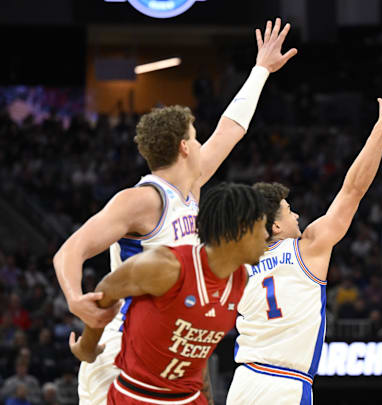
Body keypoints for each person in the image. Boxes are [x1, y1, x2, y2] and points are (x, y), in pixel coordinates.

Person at [52, 18, 296, 405]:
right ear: (184, 146)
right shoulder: (143, 200)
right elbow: (70, 250)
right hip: (123, 354)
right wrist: (73, 297)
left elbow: (231, 129)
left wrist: (260, 71)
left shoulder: (191, 187)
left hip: (172, 348)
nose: (203, 142)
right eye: (197, 137)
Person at [226, 95, 382, 404]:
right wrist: (380, 130)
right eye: (289, 211)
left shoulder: (238, 266)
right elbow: (353, 190)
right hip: (284, 383)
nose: (298, 215)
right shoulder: (307, 248)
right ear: (275, 227)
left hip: (243, 382)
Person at [69, 183, 268, 405]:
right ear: (241, 230)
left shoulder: (239, 279)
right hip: (139, 395)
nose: (267, 236)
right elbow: (106, 289)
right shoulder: (167, 266)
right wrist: (87, 347)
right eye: (262, 227)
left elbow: (196, 348)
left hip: (189, 397)